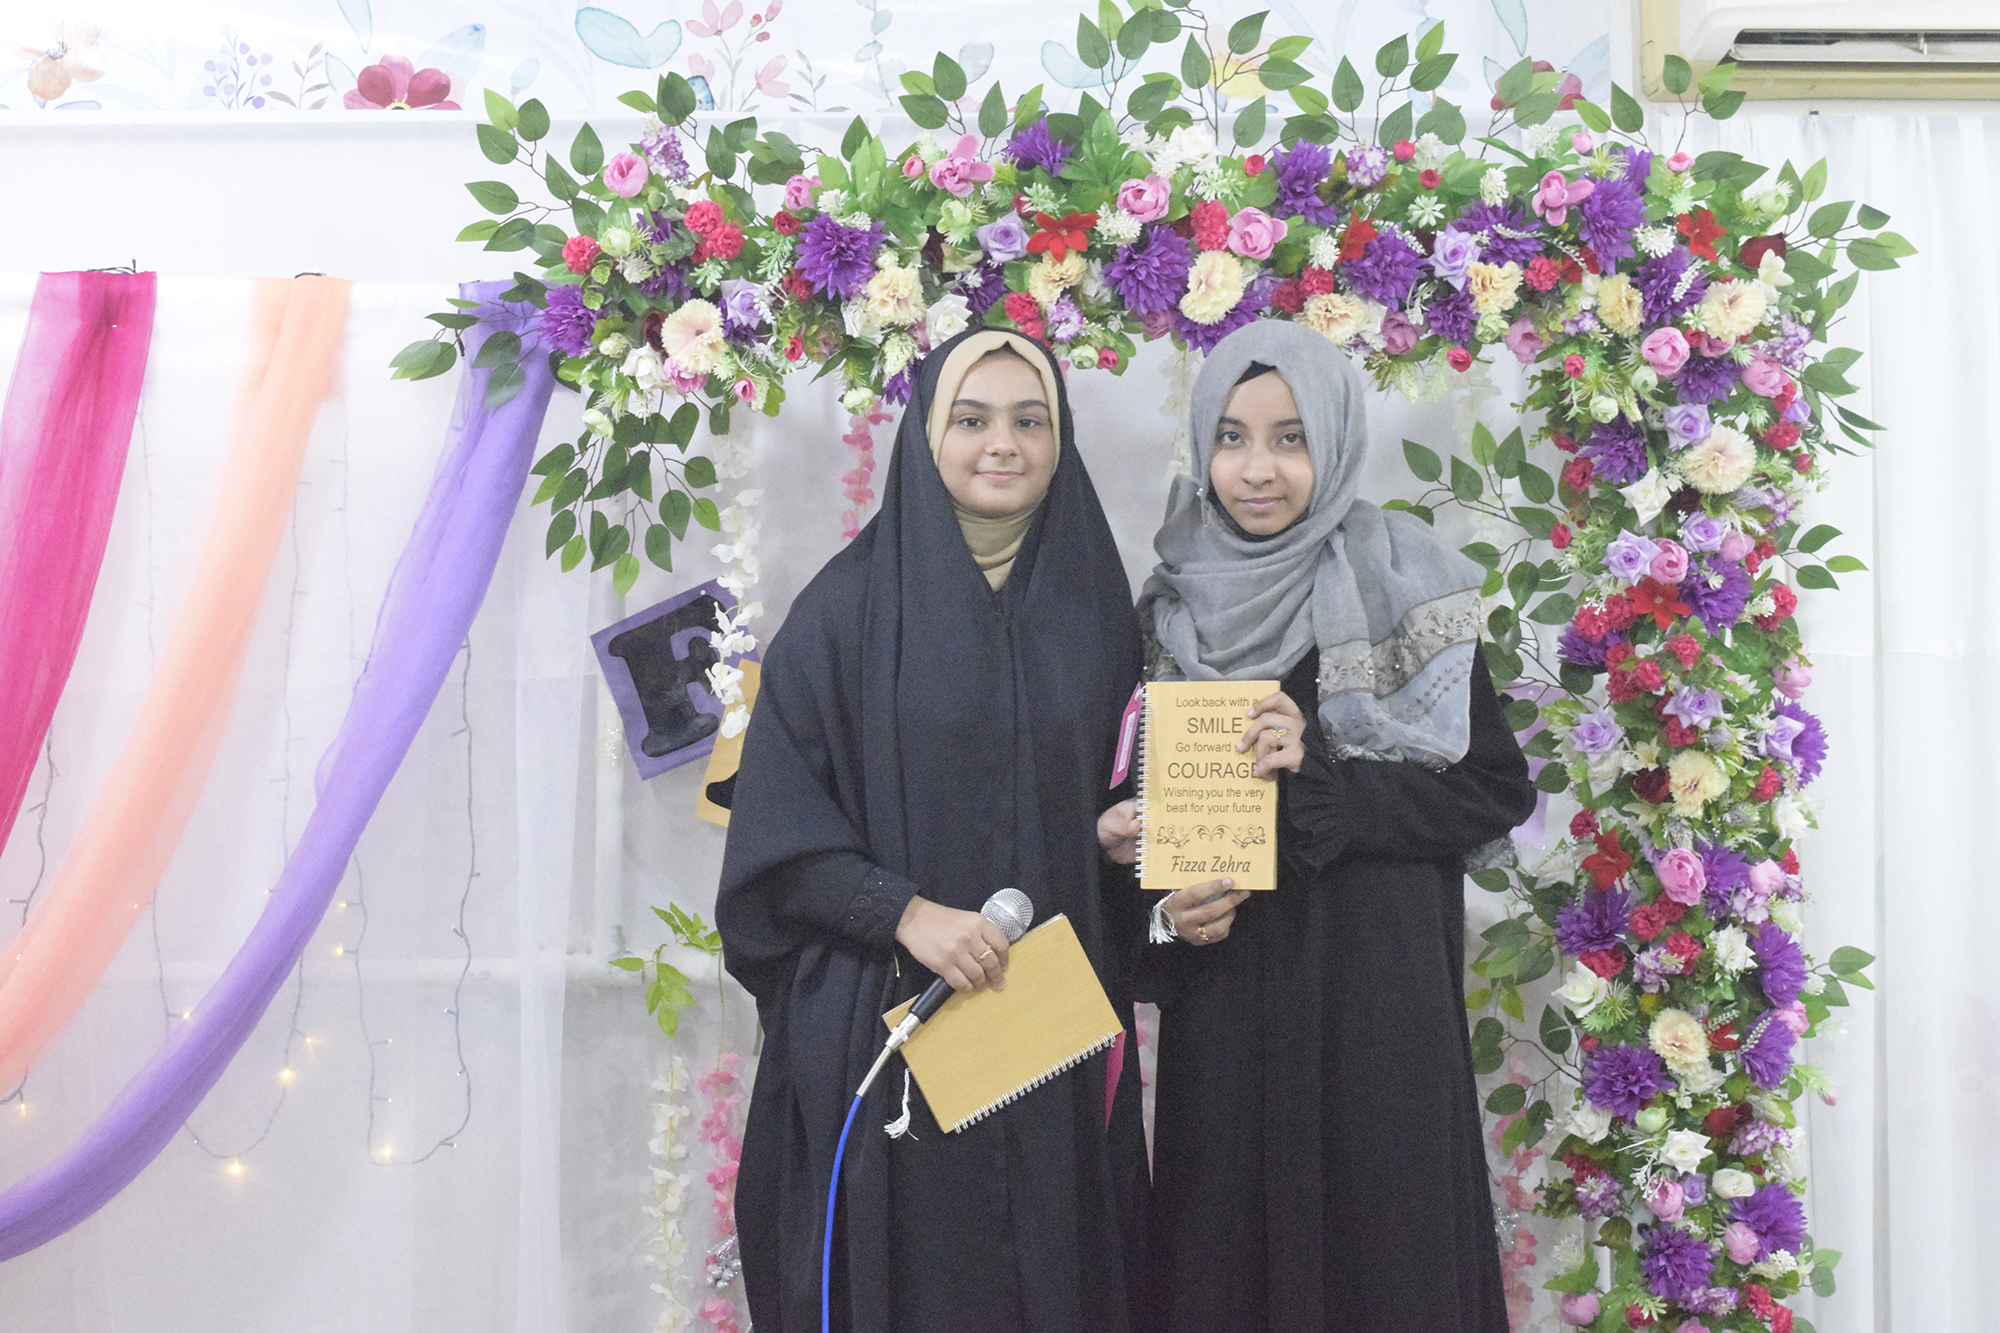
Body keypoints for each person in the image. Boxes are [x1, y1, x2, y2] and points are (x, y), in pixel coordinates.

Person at [716, 328, 1149, 1333]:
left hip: (1048, 1037)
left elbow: (1106, 801)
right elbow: (774, 843)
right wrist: (906, 913)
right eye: (971, 418)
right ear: (925, 435)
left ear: (1060, 438)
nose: (1003, 443)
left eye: (1029, 420)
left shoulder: (1096, 614)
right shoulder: (844, 614)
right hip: (893, 1037)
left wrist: (1118, 837)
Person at [1116, 319, 1536, 1332]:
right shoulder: (1167, 611)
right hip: (1229, 1020)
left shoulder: (1408, 584)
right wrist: (1164, 909)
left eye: (1290, 438)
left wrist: (1331, 779)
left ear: (1336, 442)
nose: (1256, 468)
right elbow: (1143, 827)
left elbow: (1492, 790)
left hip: (1375, 1010)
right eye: (1231, 437)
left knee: (1380, 1268)